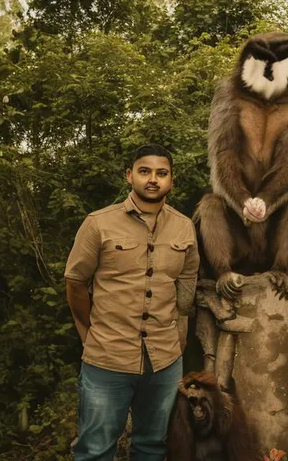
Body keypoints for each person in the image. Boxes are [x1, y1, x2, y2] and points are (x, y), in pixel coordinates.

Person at [65, 144, 200, 461]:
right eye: (145, 171)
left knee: (152, 446)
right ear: (130, 176)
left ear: (171, 180)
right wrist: (88, 333)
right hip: (107, 358)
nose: (153, 179)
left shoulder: (184, 227)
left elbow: (187, 281)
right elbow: (75, 283)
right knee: (95, 449)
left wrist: (179, 331)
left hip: (164, 362)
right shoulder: (98, 223)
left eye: (161, 173)